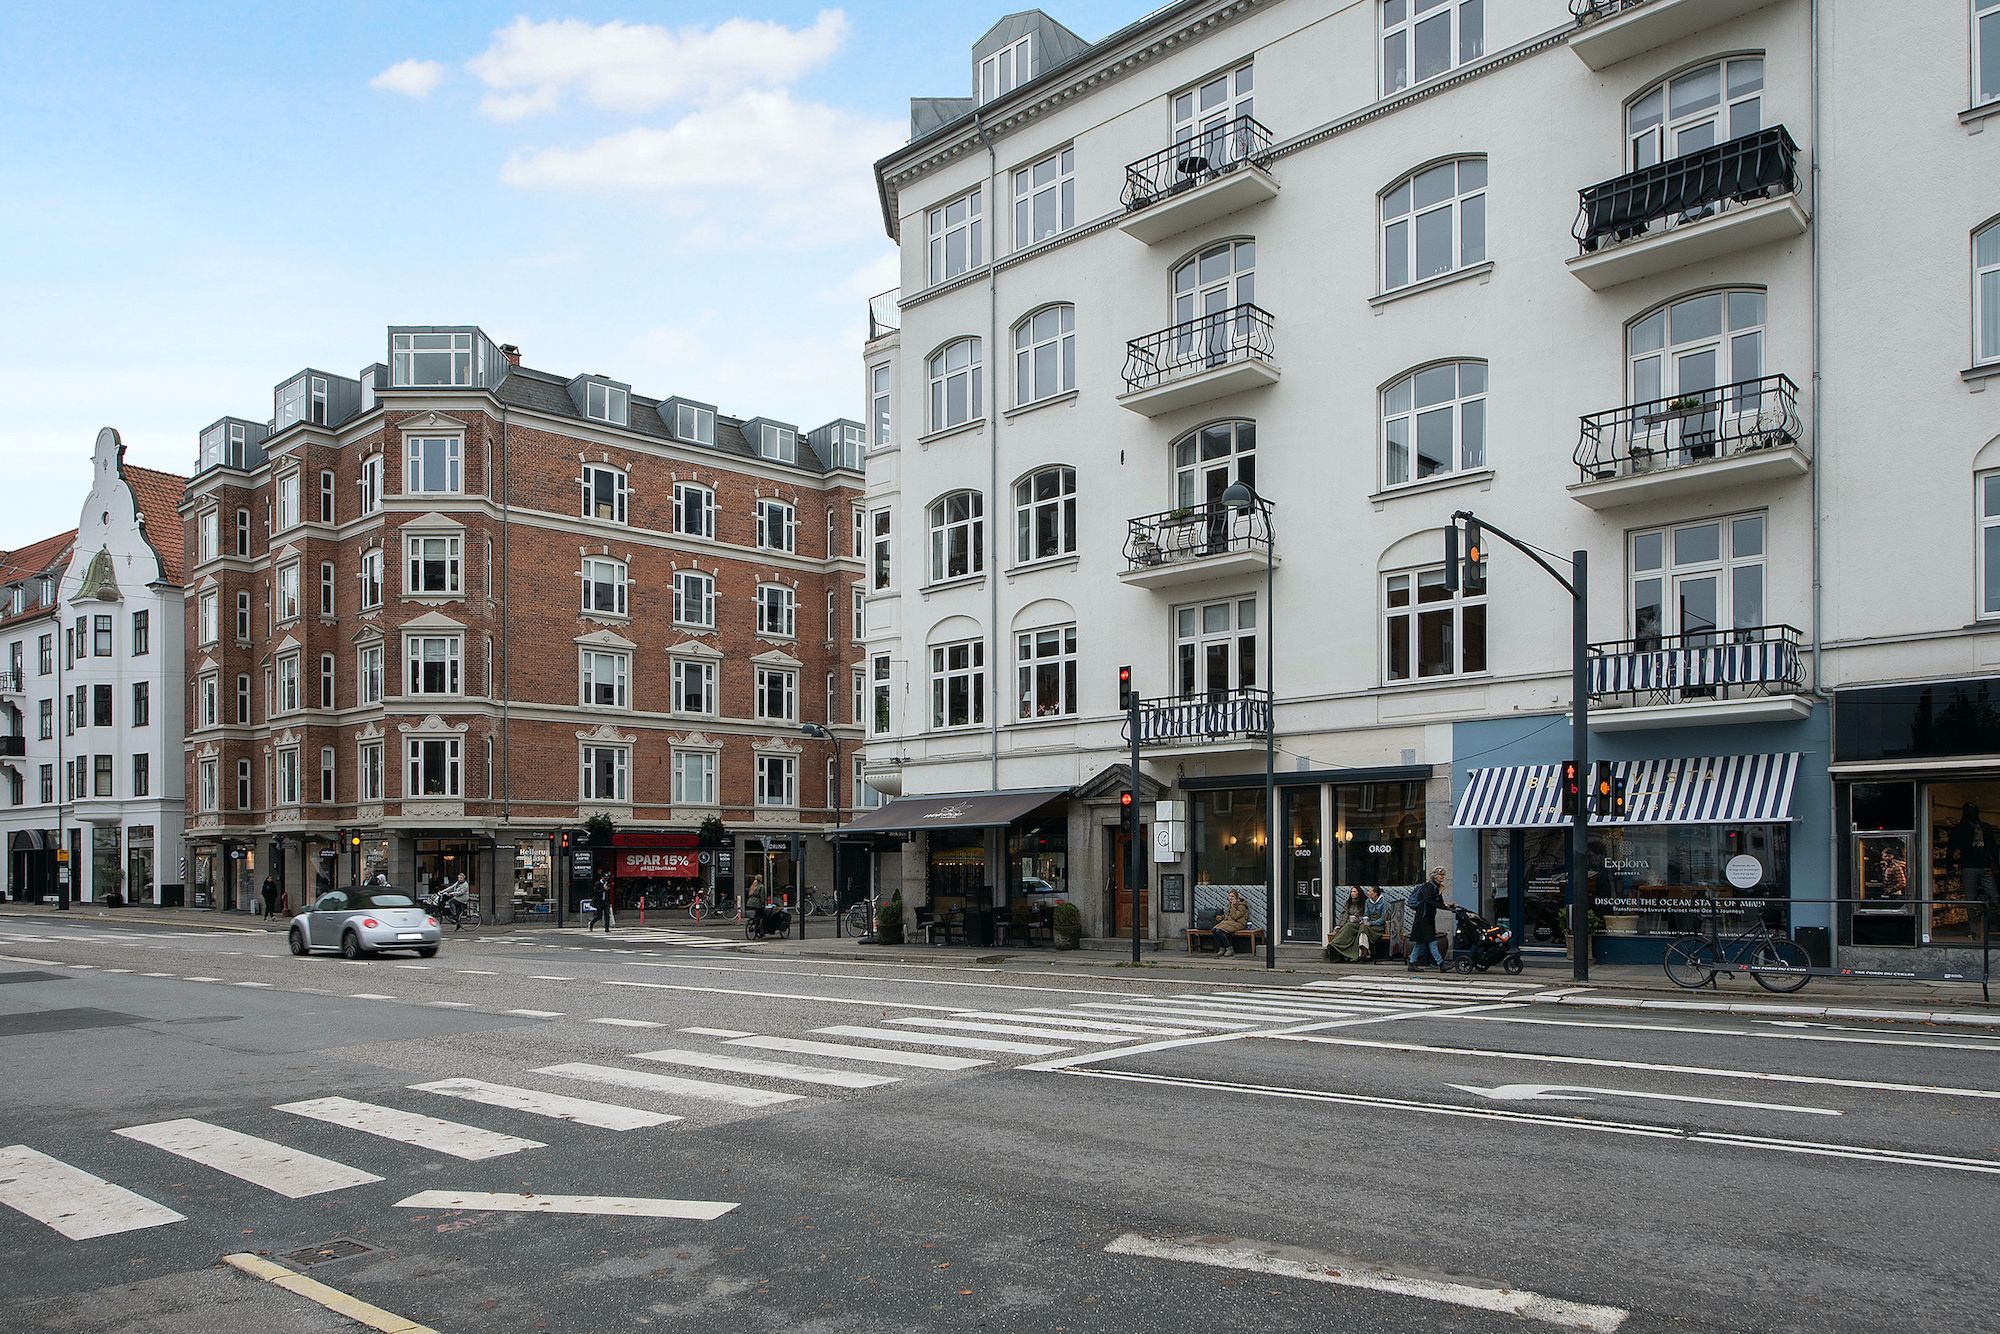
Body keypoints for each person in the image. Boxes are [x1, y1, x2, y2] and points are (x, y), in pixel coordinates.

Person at [1407, 868, 1450, 972]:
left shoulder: (1437, 887)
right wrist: (1443, 905)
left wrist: (1447, 906)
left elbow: (1439, 902)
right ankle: (1441, 963)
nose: (1442, 877)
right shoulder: (1429, 886)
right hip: (1423, 918)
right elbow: (1428, 900)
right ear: (1434, 876)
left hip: (1428, 917)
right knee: (1432, 941)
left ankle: (1412, 963)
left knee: (1421, 942)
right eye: (1440, 875)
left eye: (1443, 875)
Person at [1327, 887, 1367, 962]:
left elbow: (1362, 914)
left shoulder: (1363, 903)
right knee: (1341, 928)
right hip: (1348, 923)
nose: (1353, 893)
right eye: (1351, 892)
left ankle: (1335, 944)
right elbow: (1345, 914)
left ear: (1359, 893)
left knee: (1348, 926)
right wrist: (1340, 925)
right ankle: (1336, 947)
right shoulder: (1348, 903)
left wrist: (1356, 919)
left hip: (1358, 924)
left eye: (1355, 891)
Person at [1211, 888, 1251, 956]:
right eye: (1229, 896)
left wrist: (1232, 907)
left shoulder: (1241, 906)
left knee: (1219, 931)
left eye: (1232, 896)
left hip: (1239, 924)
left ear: (1236, 897)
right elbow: (1229, 916)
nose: (1230, 898)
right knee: (1214, 930)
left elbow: (1235, 917)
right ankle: (1222, 948)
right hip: (1231, 922)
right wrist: (1222, 917)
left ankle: (1229, 949)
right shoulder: (1230, 904)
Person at [1363, 886, 1392, 961]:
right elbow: (1366, 913)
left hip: (1379, 926)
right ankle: (1364, 949)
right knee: (1362, 927)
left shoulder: (1383, 902)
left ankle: (1365, 950)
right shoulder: (1367, 901)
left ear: (1375, 894)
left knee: (1363, 928)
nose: (1368, 893)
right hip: (1369, 925)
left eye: (1370, 891)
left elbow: (1383, 919)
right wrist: (1365, 920)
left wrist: (1370, 923)